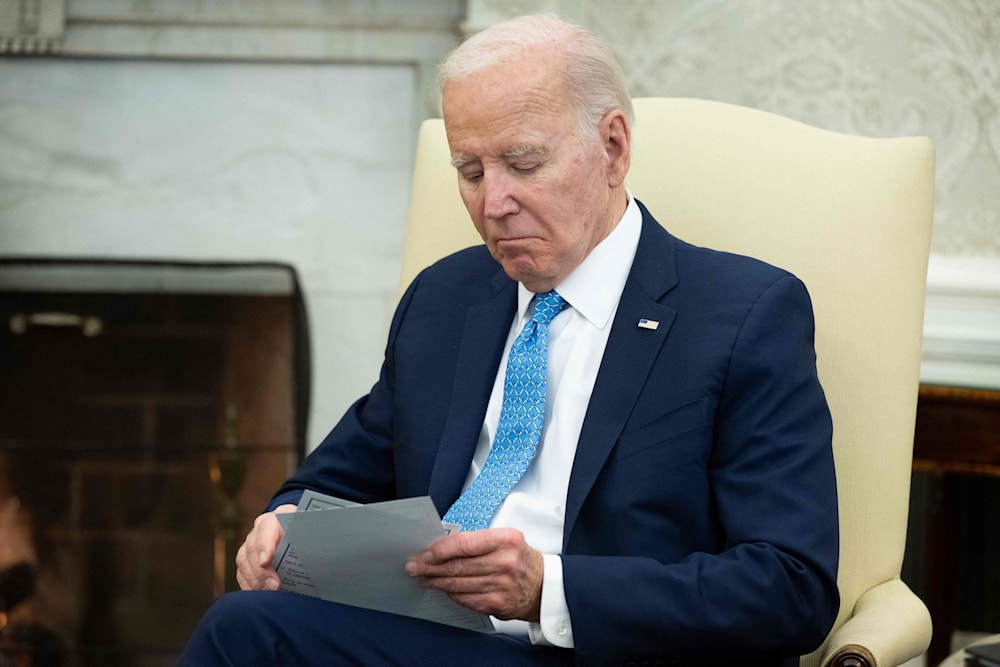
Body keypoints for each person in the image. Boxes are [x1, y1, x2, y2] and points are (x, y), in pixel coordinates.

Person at [179, 13, 839, 666]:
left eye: (523, 164)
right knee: (249, 625)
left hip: (607, 649)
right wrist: (281, 526)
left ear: (613, 147)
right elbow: (338, 480)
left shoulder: (742, 314)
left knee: (244, 633)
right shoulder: (446, 298)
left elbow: (791, 586)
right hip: (433, 634)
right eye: (470, 172)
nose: (493, 203)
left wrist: (547, 588)